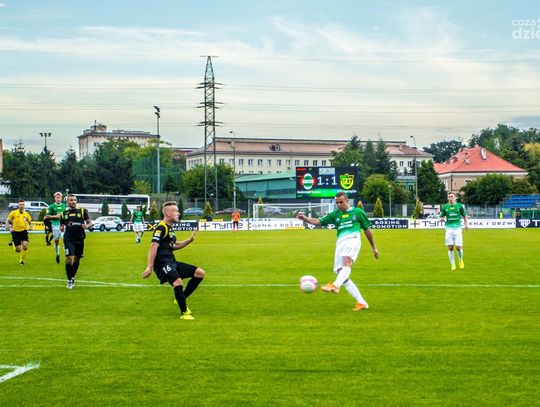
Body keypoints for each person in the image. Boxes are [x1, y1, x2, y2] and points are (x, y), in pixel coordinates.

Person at [297, 191, 379, 311]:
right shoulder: (335, 214)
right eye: (337, 203)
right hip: (340, 243)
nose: (339, 205)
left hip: (353, 239)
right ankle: (362, 303)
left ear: (347, 201)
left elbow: (367, 230)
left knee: (347, 262)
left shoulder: (358, 212)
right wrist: (304, 218)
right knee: (340, 272)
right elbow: (318, 222)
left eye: (341, 202)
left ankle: (335, 285)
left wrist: (374, 247)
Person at [142, 202, 205, 320]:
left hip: (171, 261)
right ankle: (184, 313)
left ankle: (180, 298)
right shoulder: (161, 227)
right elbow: (153, 246)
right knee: (177, 282)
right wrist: (149, 266)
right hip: (162, 264)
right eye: (176, 211)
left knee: (199, 273)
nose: (179, 213)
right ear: (168, 214)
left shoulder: (169, 228)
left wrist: (189, 240)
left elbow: (173, 246)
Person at [60, 194, 93, 289]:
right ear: (67, 202)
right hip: (68, 239)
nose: (73, 202)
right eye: (71, 200)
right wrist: (61, 228)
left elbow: (90, 223)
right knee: (69, 259)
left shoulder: (82, 211)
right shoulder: (64, 214)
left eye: (74, 200)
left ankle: (73, 277)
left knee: (77, 260)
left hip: (79, 239)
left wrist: (86, 226)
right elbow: (62, 226)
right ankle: (69, 280)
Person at [439, 192, 469, 271]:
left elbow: (465, 215)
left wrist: (466, 224)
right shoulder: (445, 207)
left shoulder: (459, 206)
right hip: (448, 229)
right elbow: (441, 216)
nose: (450, 198)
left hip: (457, 229)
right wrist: (441, 219)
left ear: (455, 197)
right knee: (450, 247)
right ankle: (453, 264)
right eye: (449, 196)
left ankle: (460, 260)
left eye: (451, 196)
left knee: (458, 247)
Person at [6, 200, 33, 265]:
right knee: (18, 250)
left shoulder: (26, 214)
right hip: (16, 232)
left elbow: (30, 222)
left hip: (24, 232)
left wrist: (31, 227)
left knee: (25, 246)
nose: (22, 206)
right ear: (18, 205)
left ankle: (21, 261)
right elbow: (7, 221)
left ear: (24, 206)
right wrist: (10, 229)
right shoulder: (14, 213)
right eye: (20, 204)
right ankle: (13, 242)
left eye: (23, 204)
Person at [44, 191, 66, 263]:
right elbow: (47, 216)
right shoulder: (51, 206)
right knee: (56, 241)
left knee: (65, 240)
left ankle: (67, 255)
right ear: (55, 198)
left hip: (63, 225)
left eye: (59, 197)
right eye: (57, 197)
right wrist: (56, 216)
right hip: (55, 226)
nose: (58, 199)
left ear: (61, 198)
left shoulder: (64, 206)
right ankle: (57, 254)